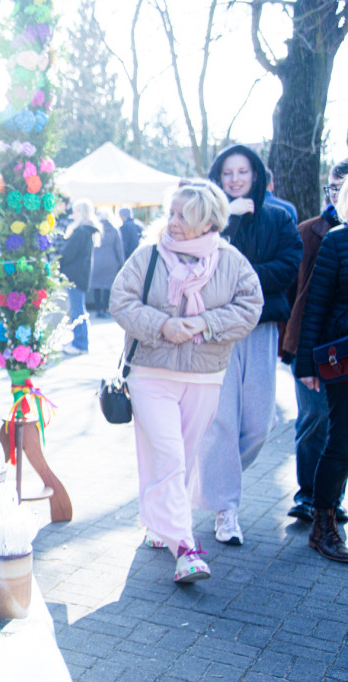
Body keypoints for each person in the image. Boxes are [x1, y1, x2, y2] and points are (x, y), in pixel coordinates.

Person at [112, 181, 262, 582]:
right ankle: (186, 550)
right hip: (150, 373)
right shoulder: (148, 255)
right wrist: (162, 325)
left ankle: (158, 522)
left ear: (208, 222)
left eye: (184, 216)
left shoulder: (231, 261)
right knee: (170, 456)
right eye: (172, 213)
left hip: (204, 376)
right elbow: (121, 301)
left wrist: (205, 323)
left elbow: (251, 307)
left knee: (182, 457)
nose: (173, 222)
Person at [195, 145, 302, 545]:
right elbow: (196, 265)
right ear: (218, 177)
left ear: (255, 174)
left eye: (242, 171)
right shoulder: (205, 220)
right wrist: (227, 220)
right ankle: (226, 509)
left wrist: (239, 276)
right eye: (228, 173)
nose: (235, 179)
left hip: (260, 327)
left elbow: (288, 265)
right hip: (216, 330)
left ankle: (207, 480)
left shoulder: (279, 215)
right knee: (221, 420)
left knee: (259, 423)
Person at [281, 159, 348, 523]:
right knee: (315, 419)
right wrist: (291, 345)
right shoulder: (310, 232)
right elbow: (294, 293)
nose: (336, 195)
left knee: (341, 428)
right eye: (333, 188)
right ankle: (308, 495)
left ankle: (331, 499)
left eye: (343, 188)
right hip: (309, 346)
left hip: (342, 349)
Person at [294, 182, 348, 563]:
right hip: (343, 359)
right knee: (341, 441)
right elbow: (316, 306)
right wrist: (306, 364)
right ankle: (322, 526)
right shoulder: (337, 242)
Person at [58, 198, 100, 355]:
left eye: (75, 211)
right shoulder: (87, 231)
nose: (73, 214)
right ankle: (79, 340)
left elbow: (68, 253)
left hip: (74, 276)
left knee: (77, 310)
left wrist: (59, 263)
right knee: (78, 309)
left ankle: (80, 343)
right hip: (79, 275)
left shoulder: (81, 231)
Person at [89, 208, 124, 318]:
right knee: (107, 287)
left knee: (96, 286)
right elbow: (119, 248)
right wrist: (122, 263)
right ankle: (105, 309)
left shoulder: (95, 229)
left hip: (96, 261)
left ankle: (98, 310)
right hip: (110, 262)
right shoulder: (114, 230)